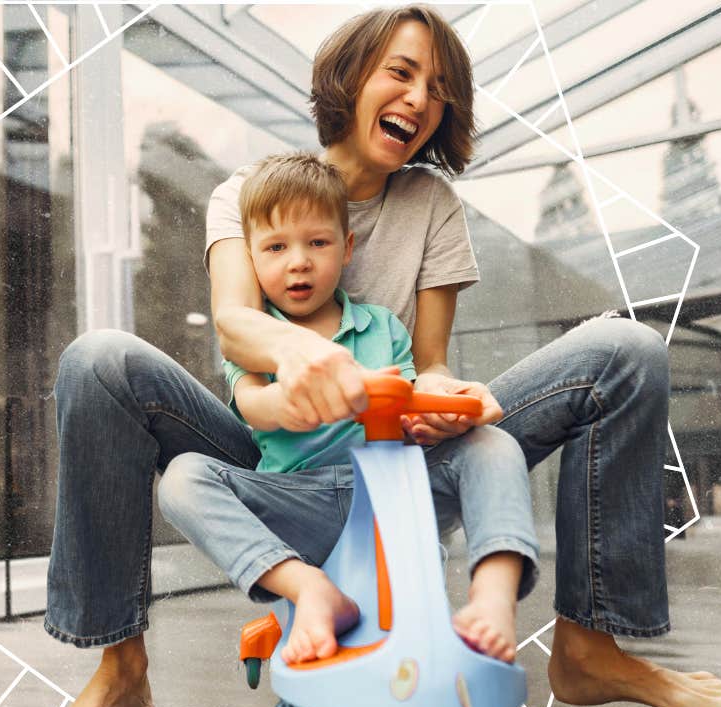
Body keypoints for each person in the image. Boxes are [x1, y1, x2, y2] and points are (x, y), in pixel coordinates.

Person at [26, 4, 721, 707]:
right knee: (99, 359)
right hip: (272, 450)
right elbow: (237, 323)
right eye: (400, 73)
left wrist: (445, 404)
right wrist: (296, 356)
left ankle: (589, 648)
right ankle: (120, 669)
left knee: (626, 349)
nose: (417, 98)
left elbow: (428, 358)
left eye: (436, 88)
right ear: (350, 77)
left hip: (395, 456)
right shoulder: (246, 192)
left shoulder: (431, 203)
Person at [158, 152, 538, 668]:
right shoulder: (258, 339)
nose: (299, 261)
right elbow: (252, 405)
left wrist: (436, 416)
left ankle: (493, 598)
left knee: (494, 444)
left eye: (317, 242)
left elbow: (408, 404)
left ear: (346, 246)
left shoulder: (383, 328)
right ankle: (308, 587)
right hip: (297, 502)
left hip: (389, 493)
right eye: (275, 247)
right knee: (182, 478)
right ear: (251, 257)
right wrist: (287, 402)